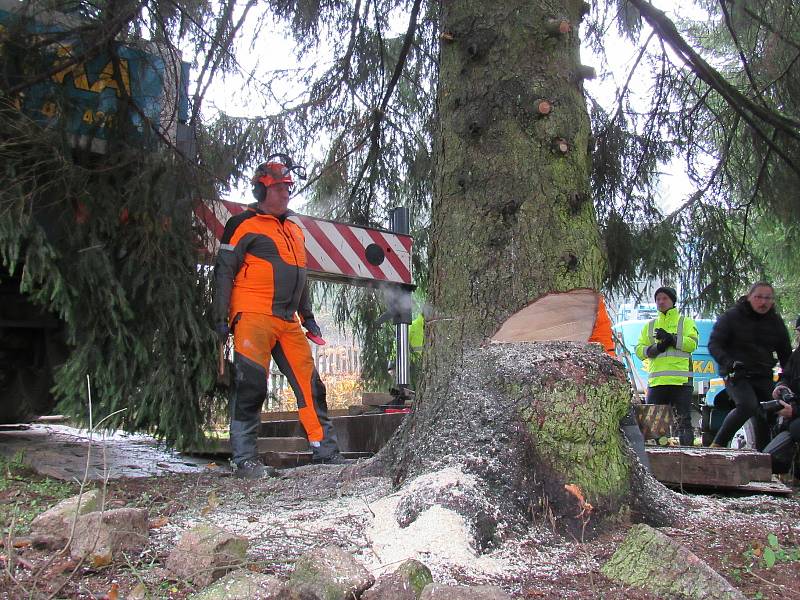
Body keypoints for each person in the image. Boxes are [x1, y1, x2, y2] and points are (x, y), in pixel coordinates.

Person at [214, 155, 345, 478]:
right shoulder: (243, 224)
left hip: (288, 321)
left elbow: (301, 274)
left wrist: (308, 316)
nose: (286, 193)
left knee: (311, 385)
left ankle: (324, 451)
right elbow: (223, 273)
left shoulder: (295, 229)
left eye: (288, 187)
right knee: (251, 386)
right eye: (279, 188)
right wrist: (219, 319)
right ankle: (245, 459)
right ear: (262, 191)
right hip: (253, 315)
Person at [708, 282, 792, 450]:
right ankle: (717, 444)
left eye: (768, 298)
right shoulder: (731, 317)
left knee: (772, 412)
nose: (763, 302)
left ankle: (767, 456)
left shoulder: (775, 321)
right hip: (736, 374)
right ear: (749, 297)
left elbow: (786, 355)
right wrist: (729, 362)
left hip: (763, 374)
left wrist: (786, 379)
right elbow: (714, 344)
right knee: (747, 405)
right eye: (758, 297)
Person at [635, 286, 699, 446]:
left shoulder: (685, 322)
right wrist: (657, 348)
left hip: (681, 381)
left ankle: (689, 456)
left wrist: (672, 339)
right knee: (652, 425)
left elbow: (692, 344)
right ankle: (656, 458)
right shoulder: (649, 326)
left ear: (672, 301)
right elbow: (639, 350)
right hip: (657, 381)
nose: (661, 302)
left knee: (683, 421)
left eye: (664, 298)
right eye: (658, 299)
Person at [762, 316, 800, 473]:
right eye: (799, 331)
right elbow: (785, 376)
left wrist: (795, 411)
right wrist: (780, 386)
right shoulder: (797, 355)